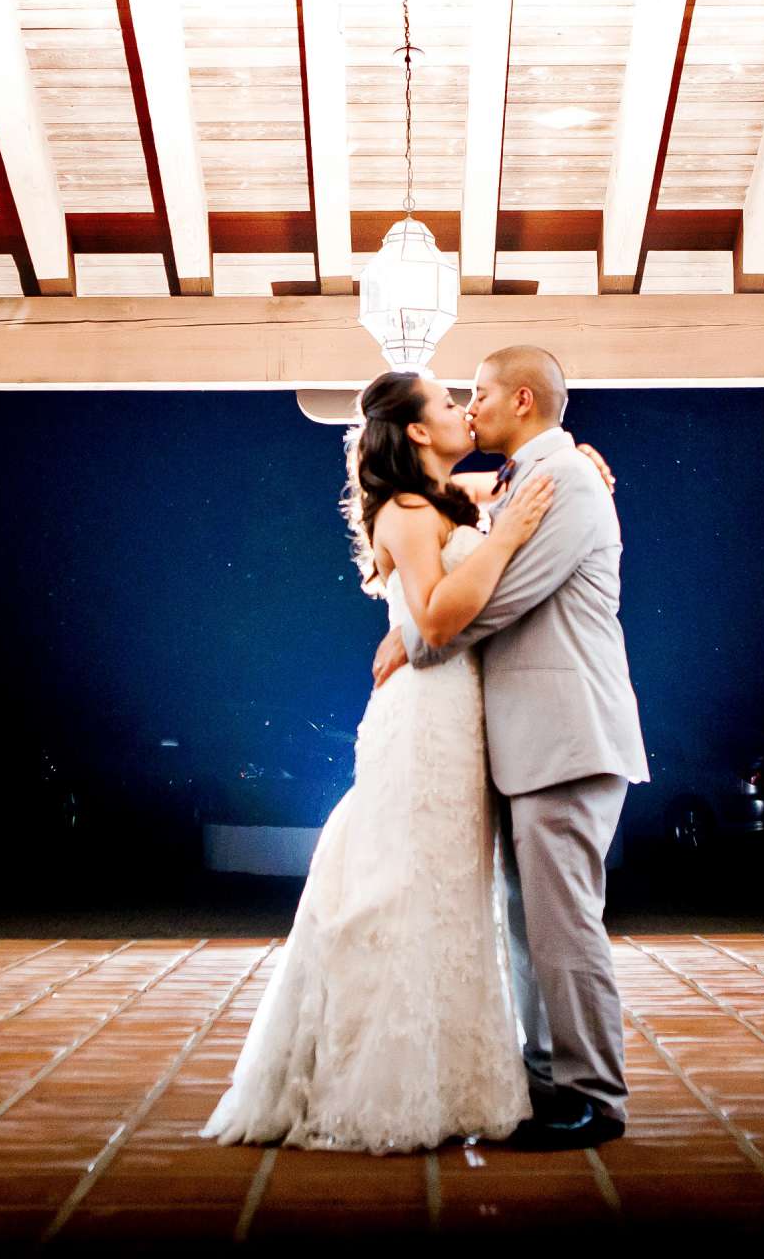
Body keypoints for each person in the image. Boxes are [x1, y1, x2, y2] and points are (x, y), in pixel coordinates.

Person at [201, 368, 556, 1153]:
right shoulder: (402, 509)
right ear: (419, 431)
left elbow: (483, 524)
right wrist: (502, 538)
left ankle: (452, 1077)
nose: (465, 409)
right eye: (448, 403)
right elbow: (432, 622)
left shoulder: (445, 500)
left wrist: (563, 474)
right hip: (423, 722)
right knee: (405, 890)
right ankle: (380, 1083)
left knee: (456, 897)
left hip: (461, 721)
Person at [372, 345, 647, 1151]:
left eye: (482, 393)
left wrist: (416, 637)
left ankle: (595, 1096)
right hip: (532, 742)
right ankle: (547, 1077)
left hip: (567, 736)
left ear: (521, 400)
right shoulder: (526, 479)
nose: (470, 404)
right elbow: (433, 501)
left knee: (564, 927)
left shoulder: (564, 485)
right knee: (533, 924)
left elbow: (499, 602)